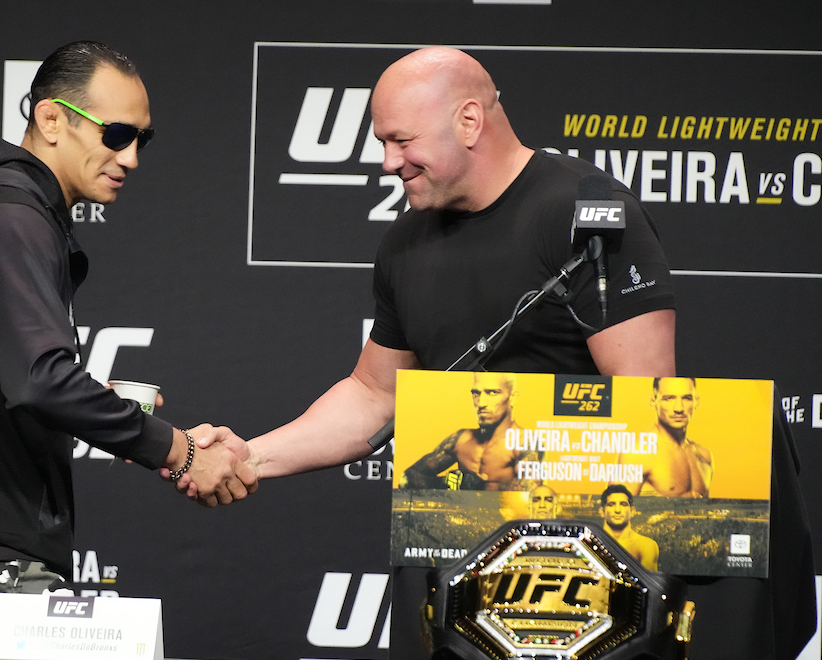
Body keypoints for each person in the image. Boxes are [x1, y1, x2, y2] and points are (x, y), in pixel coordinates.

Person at [0, 41, 256, 624]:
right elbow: (41, 382)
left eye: (142, 140)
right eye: (116, 134)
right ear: (51, 119)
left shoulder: (3, 210)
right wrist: (180, 451)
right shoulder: (10, 216)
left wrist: (98, 402)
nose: (130, 158)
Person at [174, 46, 676, 493]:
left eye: (401, 140)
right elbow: (375, 395)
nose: (388, 162)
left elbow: (643, 401)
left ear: (469, 121)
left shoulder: (584, 217)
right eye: (382, 143)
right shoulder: (406, 241)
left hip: (582, 528)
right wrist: (250, 458)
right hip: (455, 529)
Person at [401, 372, 537, 490]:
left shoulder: (526, 441)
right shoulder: (461, 439)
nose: (481, 403)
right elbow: (407, 478)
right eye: (476, 393)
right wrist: (443, 483)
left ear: (513, 397)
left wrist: (478, 486)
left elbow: (532, 492)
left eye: (492, 392)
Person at [622, 377, 714, 497]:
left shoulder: (704, 456)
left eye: (686, 398)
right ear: (653, 401)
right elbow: (614, 505)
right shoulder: (637, 453)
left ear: (696, 402)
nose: (679, 408)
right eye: (669, 399)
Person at [599, 484, 659, 571]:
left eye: (623, 504)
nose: (617, 510)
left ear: (632, 511)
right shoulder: (590, 540)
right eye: (611, 504)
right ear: (602, 511)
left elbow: (647, 578)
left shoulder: (646, 545)